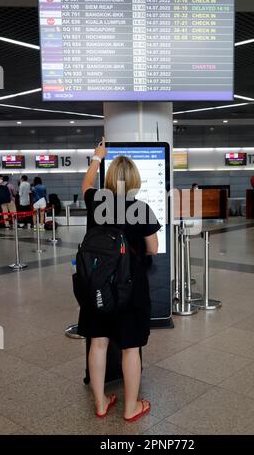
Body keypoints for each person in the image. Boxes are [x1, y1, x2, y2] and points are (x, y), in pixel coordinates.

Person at [78, 138, 160, 421]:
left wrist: (97, 157)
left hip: (98, 283)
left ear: (110, 179)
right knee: (130, 346)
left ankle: (101, 403)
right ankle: (131, 407)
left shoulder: (96, 201)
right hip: (131, 285)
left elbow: (86, 185)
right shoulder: (141, 209)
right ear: (135, 179)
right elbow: (153, 248)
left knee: (98, 342)